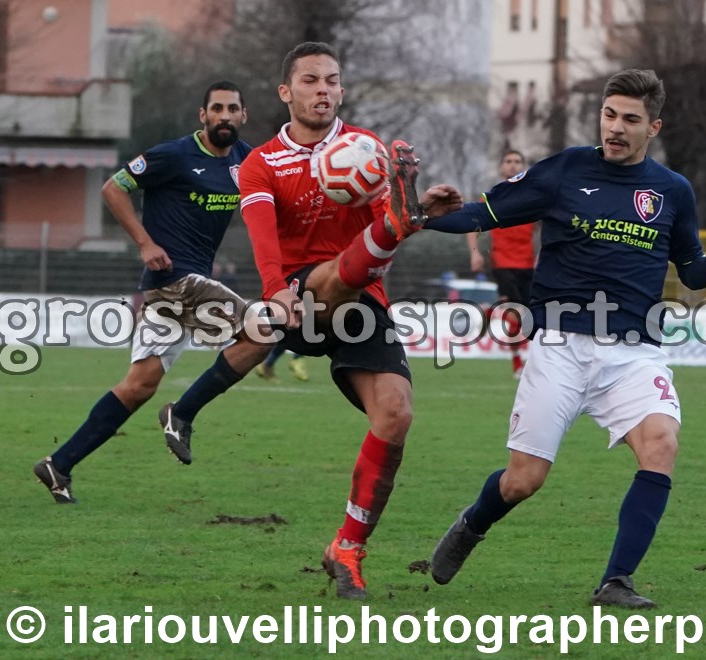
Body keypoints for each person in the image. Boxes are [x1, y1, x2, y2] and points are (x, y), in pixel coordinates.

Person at [425, 69, 706, 608]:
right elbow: (486, 213)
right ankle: (472, 524)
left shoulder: (672, 190)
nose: (615, 128)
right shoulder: (566, 170)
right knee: (524, 480)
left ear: (654, 127)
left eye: (630, 119)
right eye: (609, 115)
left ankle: (616, 581)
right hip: (561, 347)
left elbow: (690, 271)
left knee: (661, 444)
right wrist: (422, 218)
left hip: (634, 353)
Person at [166, 41, 457, 600]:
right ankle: (182, 411)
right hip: (300, 289)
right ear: (286, 92)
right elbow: (262, 239)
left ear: (341, 90)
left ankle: (346, 548)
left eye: (331, 80)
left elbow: (382, 237)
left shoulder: (366, 150)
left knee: (395, 414)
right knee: (275, 321)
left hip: (362, 295)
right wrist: (276, 292)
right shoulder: (260, 163)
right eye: (310, 80)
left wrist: (412, 217)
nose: (323, 89)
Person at [32, 81, 266, 503]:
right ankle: (182, 414)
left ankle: (59, 464)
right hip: (175, 280)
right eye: (217, 108)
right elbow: (112, 188)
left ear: (243, 116)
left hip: (181, 288)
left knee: (139, 384)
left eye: (233, 109)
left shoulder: (247, 160)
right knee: (261, 332)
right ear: (203, 115)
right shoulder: (174, 155)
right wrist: (145, 243)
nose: (225, 116)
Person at [465, 149, 537, 378]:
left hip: (527, 264)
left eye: (517, 161)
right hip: (502, 262)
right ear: (501, 167)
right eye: (508, 161)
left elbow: (548, 227)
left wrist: (542, 254)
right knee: (515, 314)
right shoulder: (493, 197)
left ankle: (492, 311)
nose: (513, 165)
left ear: (524, 167)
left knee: (529, 319)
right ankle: (517, 364)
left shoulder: (534, 197)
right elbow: (472, 224)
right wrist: (475, 254)